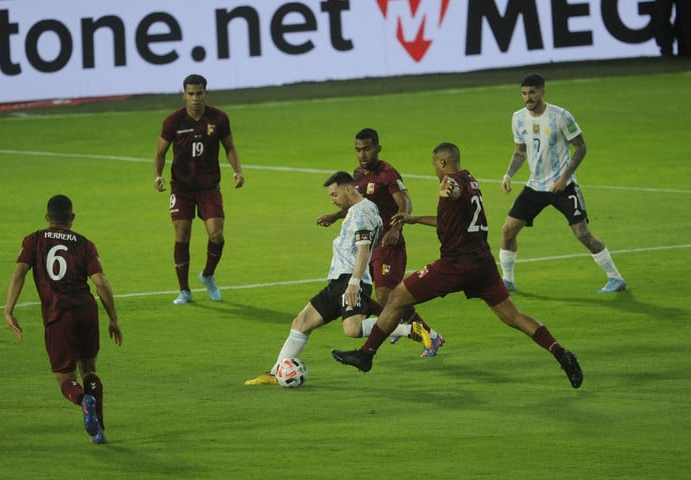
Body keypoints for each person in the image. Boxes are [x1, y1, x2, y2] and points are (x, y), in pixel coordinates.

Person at [332, 143, 583, 389]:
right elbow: (447, 220)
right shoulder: (471, 181)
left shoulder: (452, 183)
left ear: (443, 162)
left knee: (396, 297)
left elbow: (453, 191)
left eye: (434, 165)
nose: (434, 170)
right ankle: (559, 352)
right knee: (514, 316)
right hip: (483, 264)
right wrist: (415, 219)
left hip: (454, 264)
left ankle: (366, 355)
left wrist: (448, 190)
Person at [245, 171, 428, 386]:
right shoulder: (362, 209)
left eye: (334, 194)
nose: (332, 200)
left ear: (349, 189)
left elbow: (363, 249)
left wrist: (354, 283)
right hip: (339, 281)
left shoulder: (361, 212)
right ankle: (276, 373)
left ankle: (408, 328)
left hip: (350, 280)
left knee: (353, 329)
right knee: (301, 323)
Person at [3, 195, 123, 443]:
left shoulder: (34, 240)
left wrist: (8, 309)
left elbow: (19, 273)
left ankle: (82, 401)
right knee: (89, 370)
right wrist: (114, 319)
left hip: (58, 315)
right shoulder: (85, 244)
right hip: (86, 311)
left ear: (47, 217)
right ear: (72, 218)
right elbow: (101, 282)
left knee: (66, 380)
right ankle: (99, 431)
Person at [316, 128, 445, 357]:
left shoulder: (387, 173)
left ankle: (428, 335)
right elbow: (354, 204)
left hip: (388, 243)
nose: (362, 154)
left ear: (377, 148)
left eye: (367, 149)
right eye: (358, 150)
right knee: (368, 296)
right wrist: (334, 216)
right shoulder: (357, 174)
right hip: (367, 245)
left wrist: (396, 227)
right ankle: (394, 324)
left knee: (388, 297)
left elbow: (405, 202)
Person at [498, 73, 626, 294]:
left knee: (582, 233)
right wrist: (508, 174)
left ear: (542, 92)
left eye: (532, 93)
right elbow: (520, 152)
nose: (528, 98)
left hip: (562, 186)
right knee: (508, 229)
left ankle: (615, 278)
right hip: (535, 186)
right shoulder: (518, 118)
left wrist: (564, 177)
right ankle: (507, 281)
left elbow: (581, 147)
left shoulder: (560, 116)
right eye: (524, 93)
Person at [154, 73, 245, 305]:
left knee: (216, 234)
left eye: (199, 93)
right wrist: (157, 176)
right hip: (181, 188)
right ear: (184, 95)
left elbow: (230, 147)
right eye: (191, 94)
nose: (195, 98)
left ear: (206, 93)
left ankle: (207, 275)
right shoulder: (172, 121)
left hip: (208, 187)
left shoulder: (219, 118)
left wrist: (237, 170)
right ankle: (184, 290)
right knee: (182, 233)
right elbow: (160, 152)